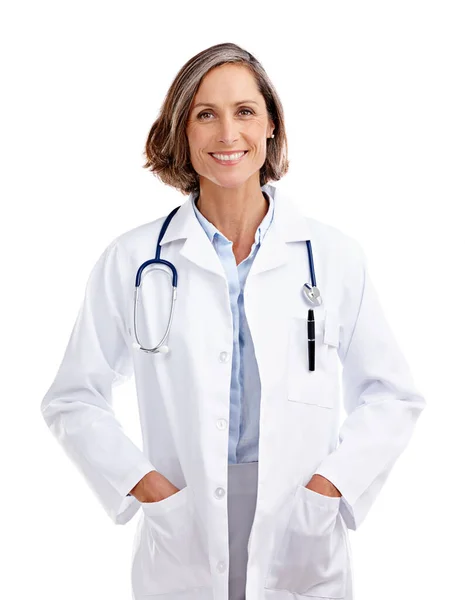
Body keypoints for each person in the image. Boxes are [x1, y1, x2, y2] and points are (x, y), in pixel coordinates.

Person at [40, 42, 426, 600]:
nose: (227, 134)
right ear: (182, 132)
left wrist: (329, 489)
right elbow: (73, 398)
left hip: (300, 522)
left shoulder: (334, 255)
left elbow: (393, 396)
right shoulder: (133, 260)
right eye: (205, 114)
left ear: (271, 125)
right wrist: (146, 489)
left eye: (245, 111)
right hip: (184, 521)